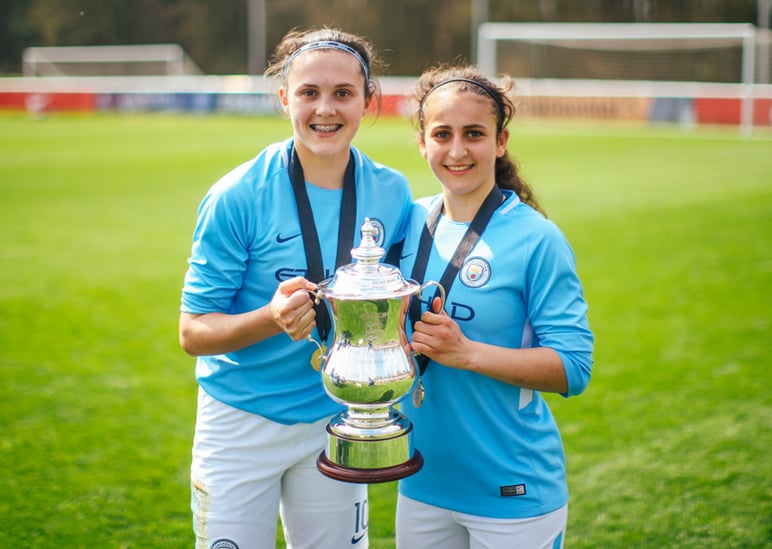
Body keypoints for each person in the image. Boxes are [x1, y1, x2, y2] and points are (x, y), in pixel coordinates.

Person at [178, 27, 412, 549]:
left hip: (338, 418)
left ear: (368, 101)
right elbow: (193, 332)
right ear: (284, 98)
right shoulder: (237, 196)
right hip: (240, 421)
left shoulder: (393, 194)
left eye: (343, 93)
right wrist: (269, 318)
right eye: (309, 92)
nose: (324, 109)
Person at [394, 64, 594, 549]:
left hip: (512, 492)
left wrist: (466, 353)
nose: (457, 150)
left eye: (474, 134)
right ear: (422, 142)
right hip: (419, 483)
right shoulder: (407, 223)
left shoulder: (536, 239)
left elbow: (574, 367)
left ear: (500, 141)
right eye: (442, 134)